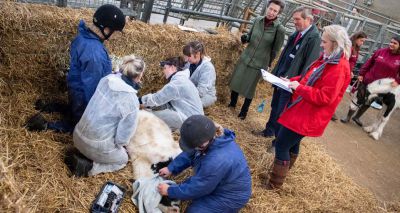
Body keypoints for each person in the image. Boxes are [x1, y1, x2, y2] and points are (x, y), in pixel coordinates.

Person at [264, 25, 351, 189]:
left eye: (324, 42)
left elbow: (325, 97)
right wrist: (291, 81)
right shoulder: (328, 59)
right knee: (292, 143)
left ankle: (274, 183)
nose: (321, 44)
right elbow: (308, 76)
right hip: (302, 108)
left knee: (282, 144)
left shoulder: (338, 67)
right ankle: (284, 172)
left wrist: (298, 87)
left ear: (335, 43)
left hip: (308, 114)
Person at [25, 4, 126, 133]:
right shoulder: (95, 54)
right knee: (79, 126)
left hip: (76, 89)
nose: (116, 36)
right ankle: (45, 125)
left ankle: (50, 107)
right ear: (106, 29)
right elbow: (92, 88)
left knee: (74, 109)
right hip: (84, 95)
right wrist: (95, 112)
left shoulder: (83, 37)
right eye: (116, 32)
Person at [157, 115, 252, 212]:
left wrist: (169, 191)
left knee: (195, 211)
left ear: (202, 144)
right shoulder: (211, 137)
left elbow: (198, 188)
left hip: (231, 196)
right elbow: (190, 152)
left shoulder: (216, 160)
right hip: (219, 182)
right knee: (188, 186)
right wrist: (171, 168)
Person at [70, 55, 145, 177]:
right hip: (95, 144)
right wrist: (123, 147)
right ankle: (89, 168)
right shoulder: (131, 100)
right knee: (123, 159)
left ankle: (83, 154)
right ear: (140, 76)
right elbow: (122, 139)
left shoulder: (107, 79)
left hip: (77, 135)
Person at [254, 6, 322, 141]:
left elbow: (309, 66)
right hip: (282, 78)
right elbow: (286, 55)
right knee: (275, 107)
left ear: (308, 19)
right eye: (294, 19)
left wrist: (296, 83)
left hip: (291, 84)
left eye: (297, 19)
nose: (294, 22)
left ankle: (277, 142)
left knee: (282, 111)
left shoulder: (314, 38)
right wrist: (277, 72)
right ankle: (269, 131)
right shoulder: (298, 33)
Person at [228, 0, 286, 120]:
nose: (271, 12)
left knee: (250, 88)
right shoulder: (257, 20)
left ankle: (244, 112)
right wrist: (245, 38)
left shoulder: (279, 29)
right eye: (270, 8)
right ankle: (232, 104)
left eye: (275, 11)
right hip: (246, 57)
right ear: (267, 7)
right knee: (236, 80)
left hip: (260, 62)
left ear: (278, 13)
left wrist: (269, 63)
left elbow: (275, 50)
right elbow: (250, 36)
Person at [341, 35, 400, 126]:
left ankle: (357, 117)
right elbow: (369, 62)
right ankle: (348, 117)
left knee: (369, 101)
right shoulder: (381, 51)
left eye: (395, 43)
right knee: (358, 97)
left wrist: (397, 81)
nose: (391, 44)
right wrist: (361, 74)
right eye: (391, 42)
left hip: (382, 86)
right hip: (369, 80)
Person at [140, 56, 204, 131]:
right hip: (196, 120)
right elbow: (168, 104)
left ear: (173, 67)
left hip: (190, 121)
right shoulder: (183, 80)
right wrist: (148, 106)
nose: (163, 71)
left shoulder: (177, 84)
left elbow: (157, 99)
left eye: (165, 68)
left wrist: (140, 100)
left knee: (147, 116)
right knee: (152, 112)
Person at [331, 31, 367, 121]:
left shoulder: (355, 48)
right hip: (341, 72)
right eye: (361, 40)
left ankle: (331, 110)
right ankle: (330, 110)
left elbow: (351, 62)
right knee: (335, 91)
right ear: (356, 38)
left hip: (346, 73)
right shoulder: (349, 47)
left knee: (339, 92)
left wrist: (350, 71)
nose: (362, 43)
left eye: (363, 42)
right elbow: (345, 60)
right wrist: (348, 70)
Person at [183, 41, 217, 108]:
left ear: (197, 54)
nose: (186, 58)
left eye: (189, 55)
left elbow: (201, 91)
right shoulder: (189, 63)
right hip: (190, 91)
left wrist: (185, 95)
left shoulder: (207, 68)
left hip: (205, 95)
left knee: (187, 106)